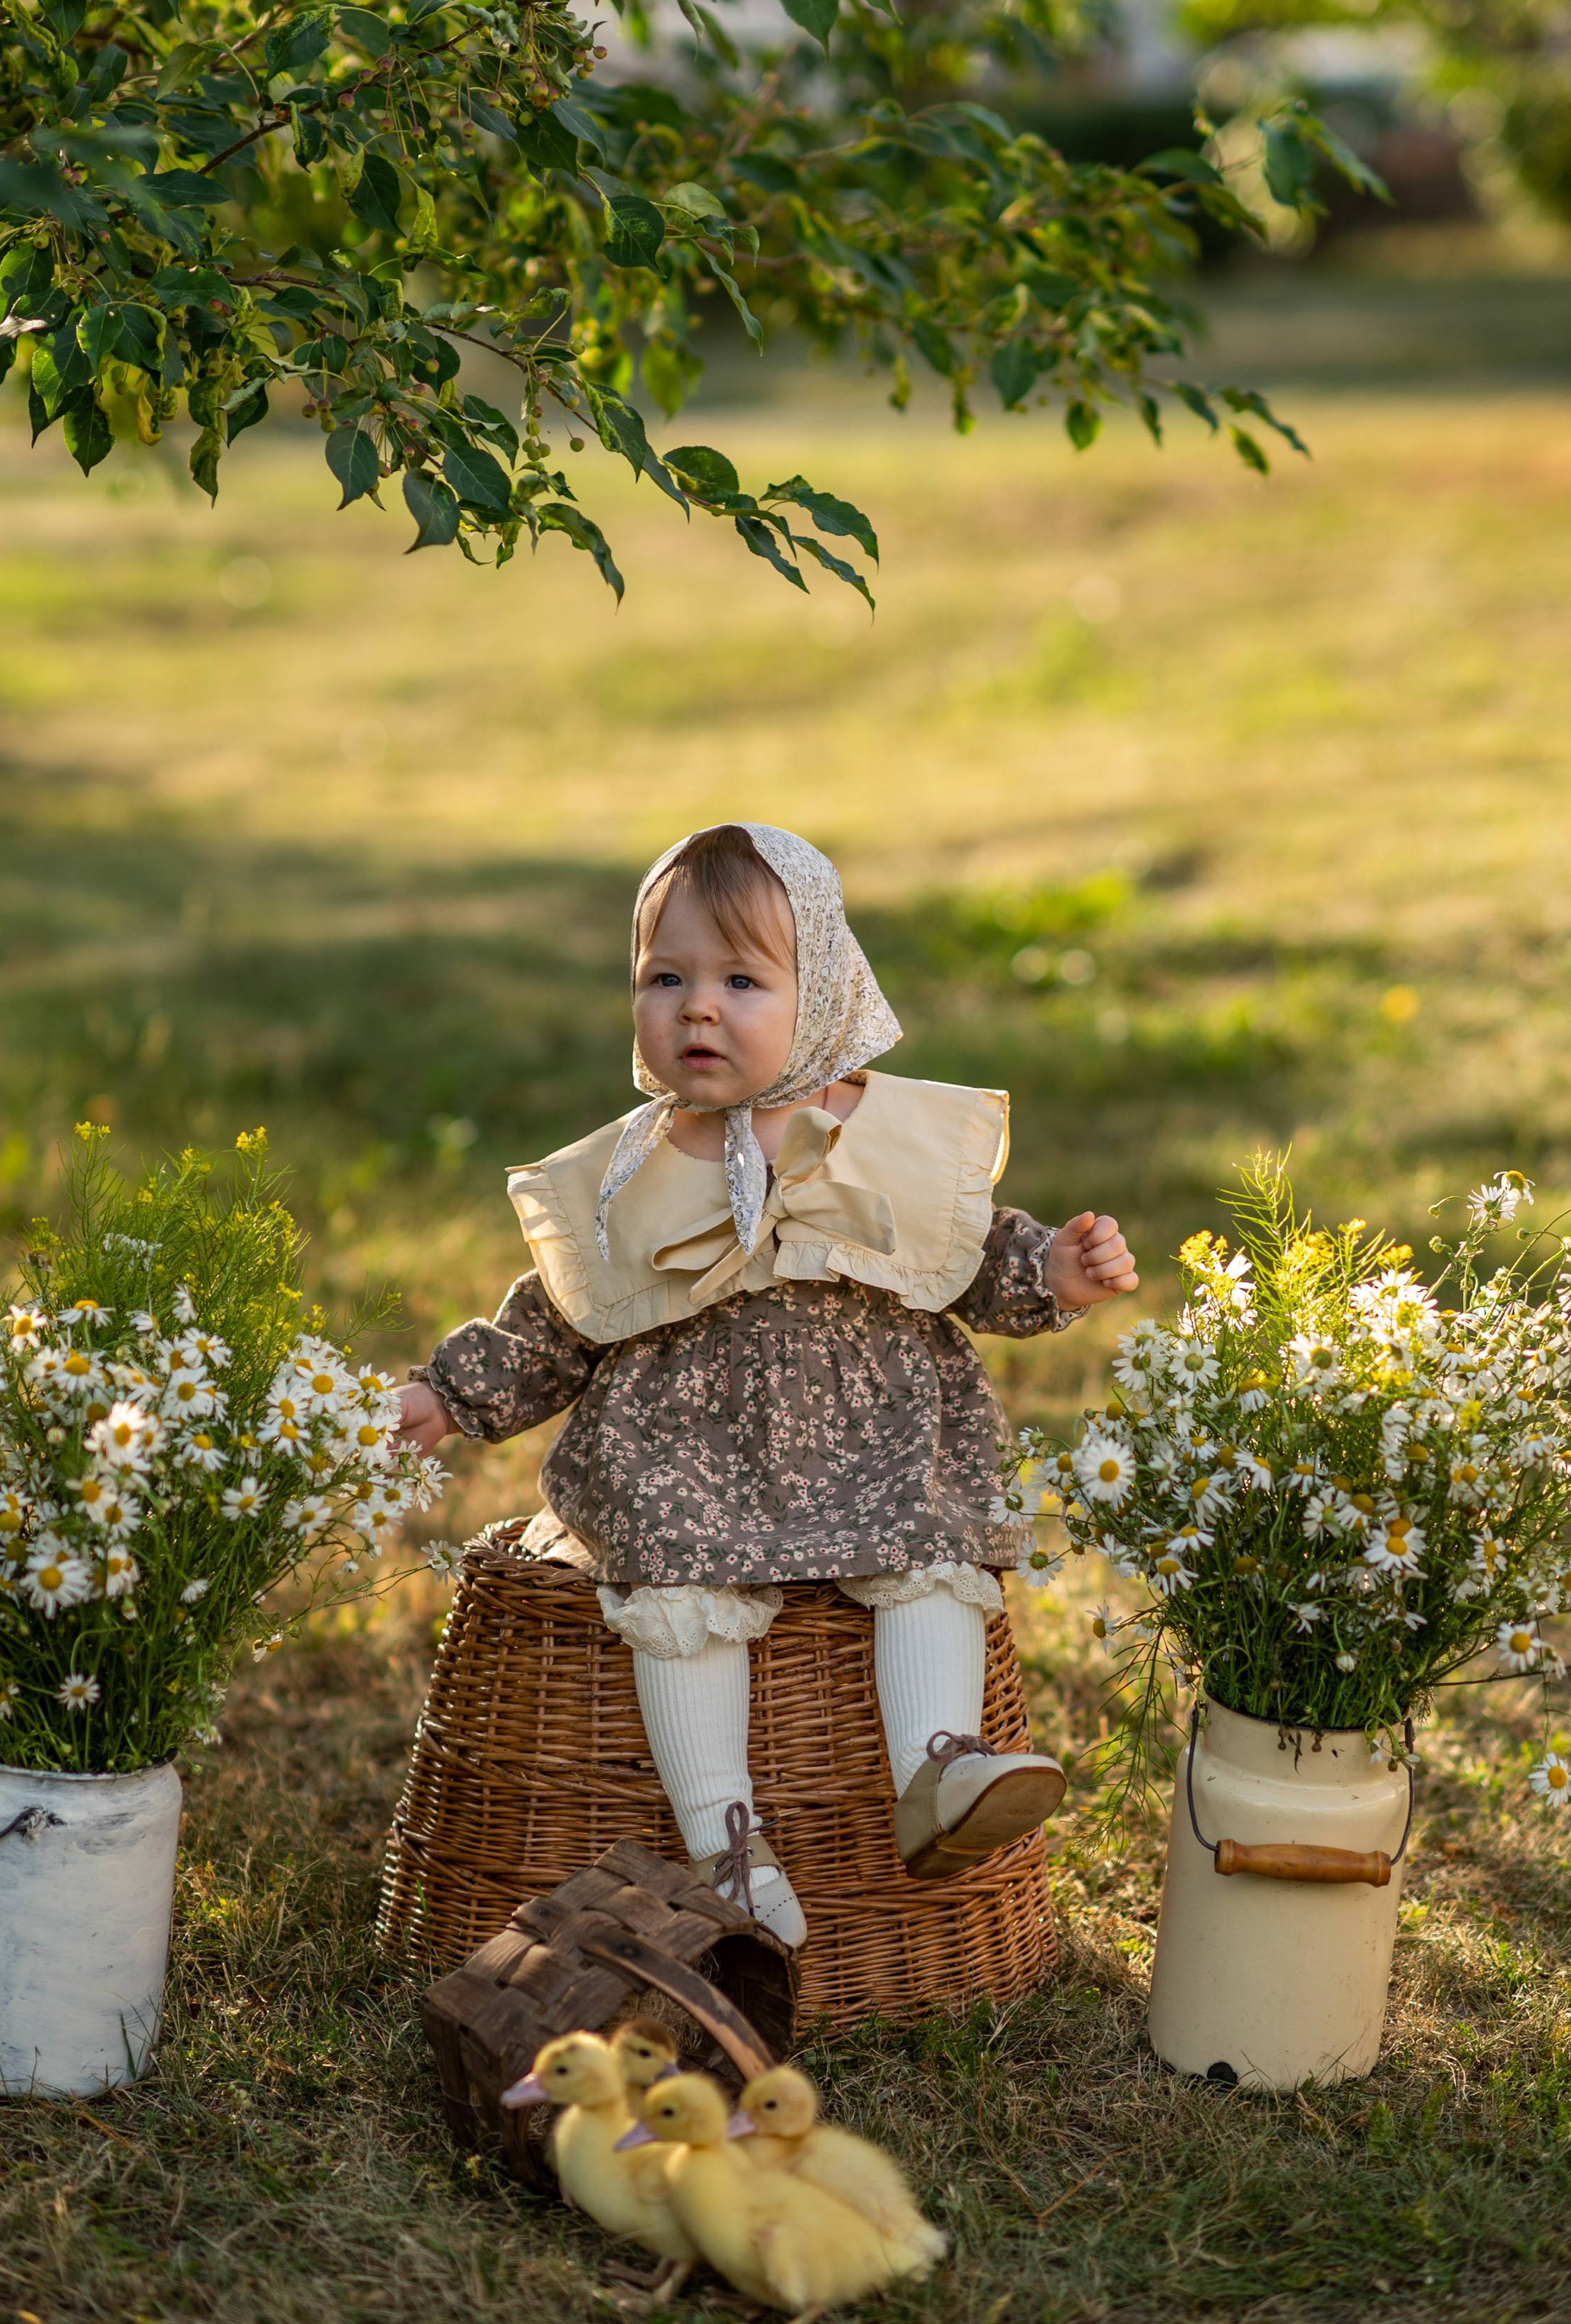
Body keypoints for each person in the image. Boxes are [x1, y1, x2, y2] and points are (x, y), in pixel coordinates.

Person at [398, 823, 1137, 1946]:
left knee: (935, 1543)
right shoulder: (632, 1172)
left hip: (879, 1439)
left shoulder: (878, 1134)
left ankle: (942, 1767)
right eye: (667, 978)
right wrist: (449, 1396)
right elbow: (561, 1313)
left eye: (742, 979)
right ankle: (726, 1843)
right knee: (678, 1599)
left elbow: (967, 1254)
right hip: (687, 1454)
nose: (698, 1008)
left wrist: (1057, 1274)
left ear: (824, 994)